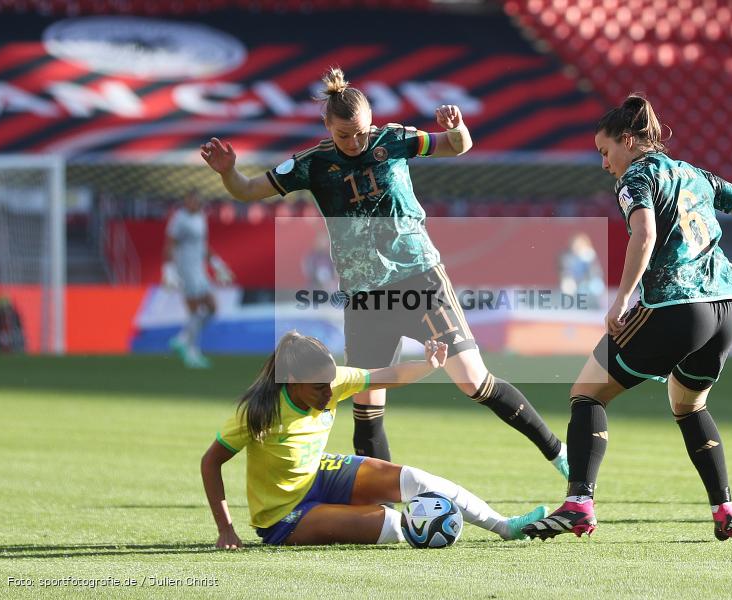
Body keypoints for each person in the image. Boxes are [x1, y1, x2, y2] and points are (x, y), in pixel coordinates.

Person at [201, 67, 568, 478]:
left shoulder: (393, 139)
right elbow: (249, 190)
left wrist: (459, 127)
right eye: (345, 135)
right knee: (367, 403)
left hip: (419, 277)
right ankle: (383, 505)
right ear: (327, 125)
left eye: (361, 132)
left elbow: (456, 146)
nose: (355, 142)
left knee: (472, 381)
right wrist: (228, 173)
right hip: (364, 296)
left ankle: (558, 453)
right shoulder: (313, 163)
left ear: (371, 121)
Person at [522, 95, 732, 542]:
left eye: (605, 151)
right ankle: (724, 508)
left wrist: (622, 298)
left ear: (629, 140)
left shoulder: (636, 177)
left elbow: (646, 232)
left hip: (676, 306)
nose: (604, 163)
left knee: (586, 393)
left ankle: (579, 503)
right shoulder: (696, 175)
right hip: (727, 309)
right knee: (689, 404)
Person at [200, 331, 547, 548]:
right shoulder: (259, 412)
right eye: (319, 388)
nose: (328, 392)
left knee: (417, 480)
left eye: (330, 384)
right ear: (292, 381)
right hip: (283, 516)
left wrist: (429, 365)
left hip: (319, 474)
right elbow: (210, 462)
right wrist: (226, 528)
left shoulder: (332, 381)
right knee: (395, 526)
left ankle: (505, 526)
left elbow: (389, 375)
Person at [162, 190, 234, 369]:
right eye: (191, 200)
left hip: (199, 269)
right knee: (194, 310)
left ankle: (181, 340)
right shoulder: (179, 219)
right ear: (186, 201)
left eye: (197, 200)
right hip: (185, 269)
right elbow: (169, 245)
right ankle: (191, 352)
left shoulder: (201, 217)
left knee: (212, 308)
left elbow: (202, 244)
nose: (194, 203)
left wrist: (217, 264)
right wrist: (168, 271)